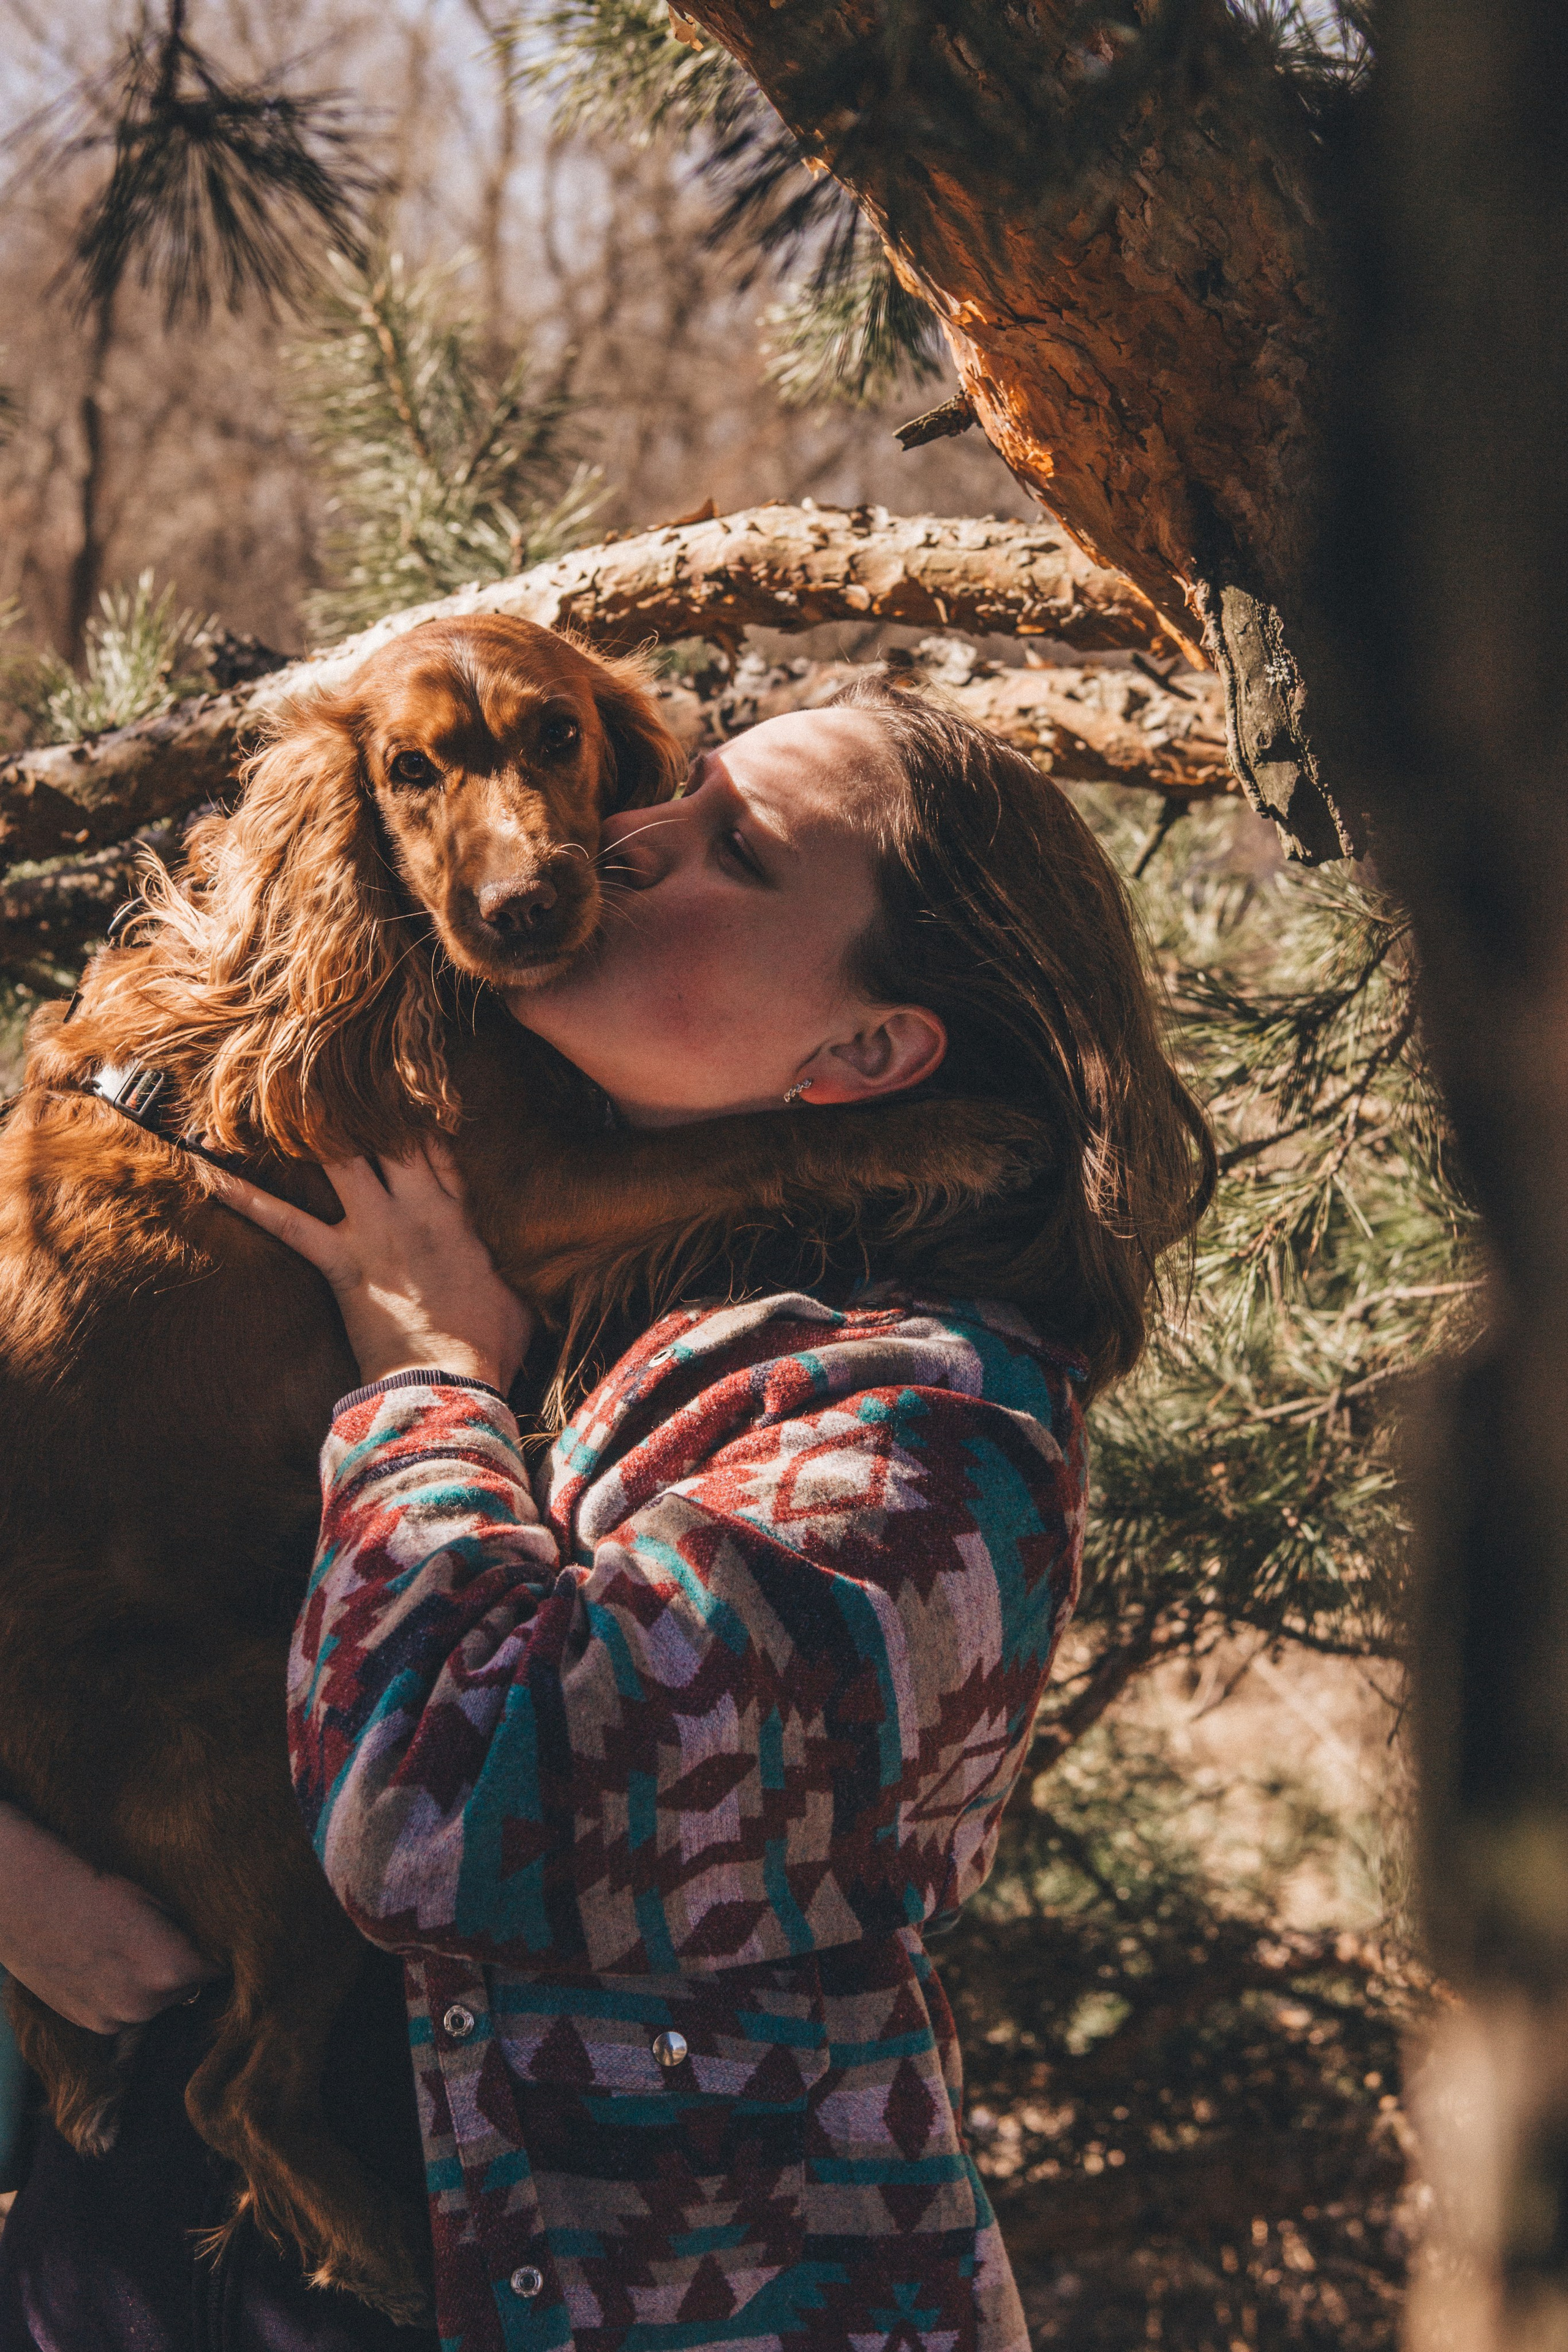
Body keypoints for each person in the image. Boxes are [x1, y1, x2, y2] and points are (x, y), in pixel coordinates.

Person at [0, 681, 1213, 2352]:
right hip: (153, 2258)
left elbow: (450, 1817)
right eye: (683, 789)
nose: (627, 841)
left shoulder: (928, 1444)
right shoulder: (466, 1216)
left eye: (738, 849)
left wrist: (422, 1384)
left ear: (866, 1050)